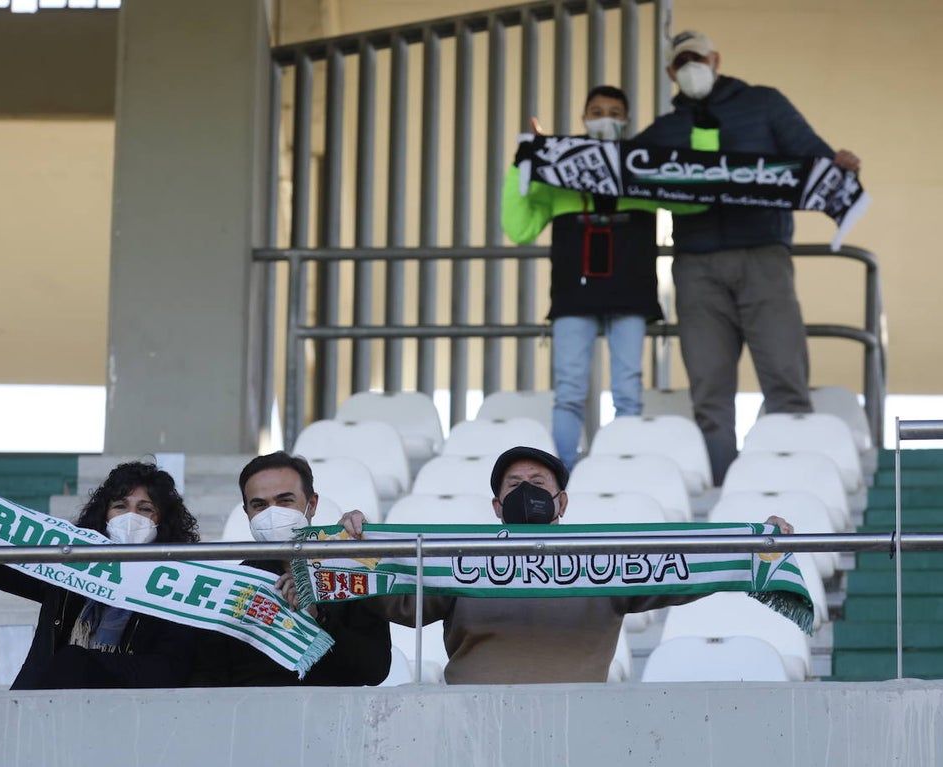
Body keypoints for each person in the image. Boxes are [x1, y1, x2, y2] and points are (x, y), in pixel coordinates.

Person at [340, 445, 792, 685]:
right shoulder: (458, 559)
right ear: (497, 507)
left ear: (562, 500)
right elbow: (396, 600)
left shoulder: (608, 561)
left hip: (580, 724)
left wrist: (752, 543)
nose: (526, 490)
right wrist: (347, 549)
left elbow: (684, 569)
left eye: (538, 483)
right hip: (473, 722)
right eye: (514, 485)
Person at [635, 30, 862, 485]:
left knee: (784, 377)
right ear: (669, 72)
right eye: (682, 62)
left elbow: (810, 155)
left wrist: (837, 164)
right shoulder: (663, 130)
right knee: (709, 391)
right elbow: (622, 172)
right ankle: (725, 494)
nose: (690, 67)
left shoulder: (765, 103)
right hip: (695, 266)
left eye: (697, 57)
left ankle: (796, 484)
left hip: (763, 255)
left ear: (716, 58)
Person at [0, 451, 201, 689]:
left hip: (126, 719)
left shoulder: (179, 588)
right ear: (104, 515)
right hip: (41, 711)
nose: (131, 517)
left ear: (163, 522)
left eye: (145, 509)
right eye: (120, 506)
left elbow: (168, 669)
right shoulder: (69, 571)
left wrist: (82, 665)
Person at [502, 86, 663, 472]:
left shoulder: (647, 168)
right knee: (569, 393)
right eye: (596, 111)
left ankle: (626, 471)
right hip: (575, 295)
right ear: (583, 119)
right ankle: (562, 478)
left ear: (627, 120)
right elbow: (518, 228)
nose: (605, 117)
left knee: (629, 393)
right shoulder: (557, 176)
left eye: (614, 111)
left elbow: (698, 197)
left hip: (631, 293)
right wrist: (521, 164)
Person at [190, 451, 391, 686]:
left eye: (285, 501)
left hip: (334, 716)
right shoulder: (235, 585)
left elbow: (375, 669)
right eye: (259, 505)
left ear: (312, 504)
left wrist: (319, 617)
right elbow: (206, 677)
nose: (273, 513)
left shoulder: (350, 574)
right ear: (247, 513)